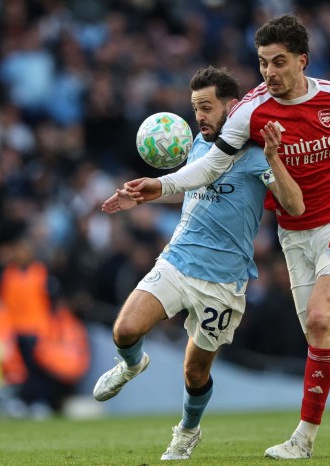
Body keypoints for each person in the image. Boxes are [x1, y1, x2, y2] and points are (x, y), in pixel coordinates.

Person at [122, 14, 330, 459]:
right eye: (262, 62)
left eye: (279, 62)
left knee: (319, 317)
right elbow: (212, 166)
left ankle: (303, 439)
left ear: (302, 60)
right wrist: (160, 186)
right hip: (294, 233)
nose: (269, 72)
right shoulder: (251, 111)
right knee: (327, 344)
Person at [92, 65, 304, 460]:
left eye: (206, 108)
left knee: (194, 371)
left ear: (232, 107)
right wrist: (144, 197)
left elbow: (294, 206)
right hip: (179, 259)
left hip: (223, 282)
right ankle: (132, 365)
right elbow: (189, 186)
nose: (200, 117)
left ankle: (188, 431)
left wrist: (275, 159)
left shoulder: (255, 156)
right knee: (125, 330)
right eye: (195, 109)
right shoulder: (199, 145)